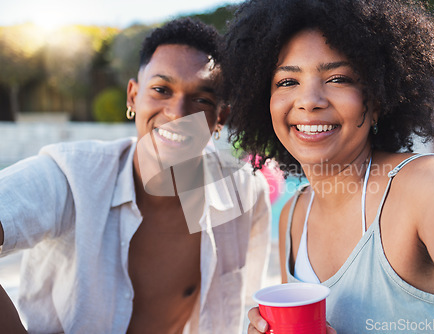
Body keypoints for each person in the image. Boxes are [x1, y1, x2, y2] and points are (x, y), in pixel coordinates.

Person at [221, 0, 434, 333]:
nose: (309, 100)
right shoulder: (293, 216)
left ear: (378, 99)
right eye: (286, 82)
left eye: (338, 78)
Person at [0, 18, 271, 333]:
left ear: (220, 117)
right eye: (161, 90)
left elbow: (251, 307)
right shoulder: (69, 178)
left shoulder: (245, 190)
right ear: (133, 96)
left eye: (201, 99)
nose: (178, 112)